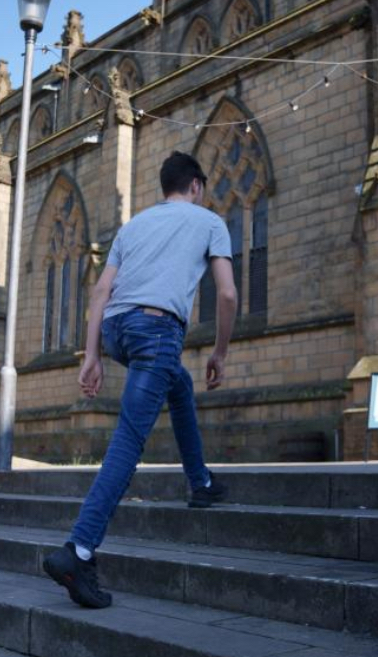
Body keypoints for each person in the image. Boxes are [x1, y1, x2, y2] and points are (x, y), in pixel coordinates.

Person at [42, 151, 237, 609]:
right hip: (156, 330)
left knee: (179, 386)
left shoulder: (133, 226)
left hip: (115, 330)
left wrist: (92, 355)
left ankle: (200, 483)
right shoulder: (209, 221)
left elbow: (100, 291)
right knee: (129, 440)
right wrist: (221, 353)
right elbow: (227, 293)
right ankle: (79, 550)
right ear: (196, 186)